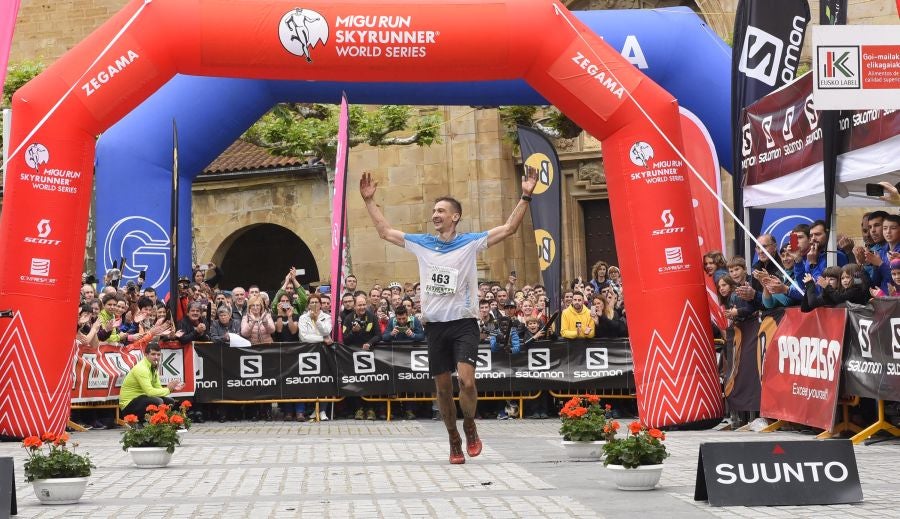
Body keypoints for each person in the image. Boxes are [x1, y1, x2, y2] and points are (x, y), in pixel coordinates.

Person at [360, 166, 538, 464]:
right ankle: (453, 438)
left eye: (441, 210)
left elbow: (508, 229)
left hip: (464, 324)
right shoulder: (422, 244)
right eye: (433, 210)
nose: (435, 214)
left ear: (455, 216)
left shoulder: (470, 242)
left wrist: (526, 195)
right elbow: (385, 232)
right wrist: (368, 201)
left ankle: (469, 426)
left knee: (467, 382)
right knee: (442, 388)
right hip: (435, 327)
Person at [119, 342, 183, 419]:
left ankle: (158, 421)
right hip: (127, 408)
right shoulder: (141, 368)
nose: (156, 357)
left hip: (141, 400)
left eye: (158, 355)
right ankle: (140, 421)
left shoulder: (153, 367)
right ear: (146, 355)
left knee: (170, 402)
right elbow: (150, 392)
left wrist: (171, 389)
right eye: (153, 354)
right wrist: (168, 389)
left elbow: (158, 389)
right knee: (157, 401)